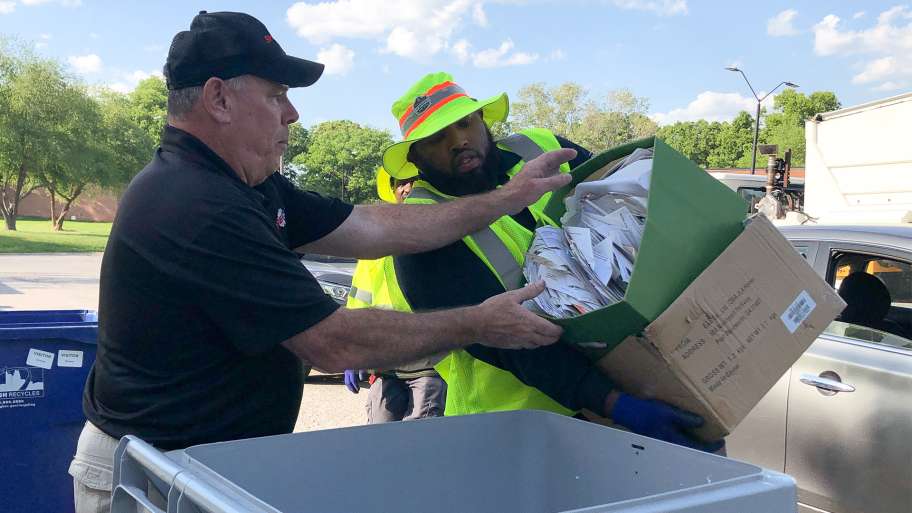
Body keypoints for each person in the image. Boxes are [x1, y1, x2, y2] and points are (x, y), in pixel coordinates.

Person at [69, 12, 575, 513]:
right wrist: (480, 322)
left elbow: (370, 226)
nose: (292, 113)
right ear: (219, 98)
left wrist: (506, 198)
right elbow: (334, 342)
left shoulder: (248, 185)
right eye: (277, 95)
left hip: (204, 466)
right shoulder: (195, 204)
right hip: (153, 475)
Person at [378, 72, 724, 451]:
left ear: (483, 121)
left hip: (625, 387)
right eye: (437, 138)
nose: (459, 140)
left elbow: (629, 200)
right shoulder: (418, 229)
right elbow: (502, 338)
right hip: (511, 426)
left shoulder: (539, 149)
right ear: (415, 158)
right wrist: (616, 403)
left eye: (465, 123)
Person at [343, 169, 447, 423]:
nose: (406, 188)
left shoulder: (444, 234)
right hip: (385, 366)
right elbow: (359, 299)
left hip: (431, 367)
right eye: (400, 183)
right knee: (377, 445)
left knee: (419, 447)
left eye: (414, 181)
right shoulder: (373, 238)